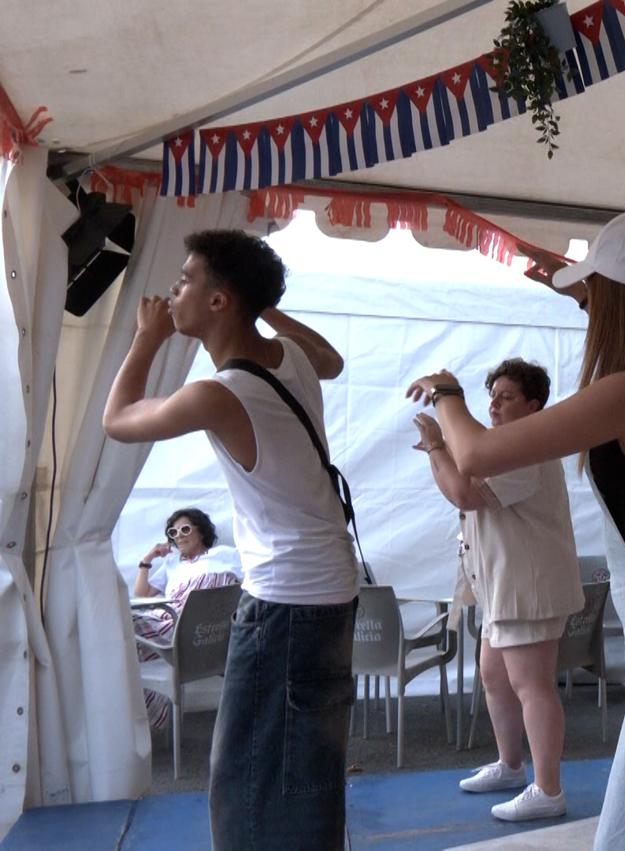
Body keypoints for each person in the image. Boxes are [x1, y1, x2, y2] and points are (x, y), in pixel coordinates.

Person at [407, 208, 625, 850]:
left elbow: (476, 455)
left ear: (620, 298)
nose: (587, 307)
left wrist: (448, 392)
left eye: (594, 294)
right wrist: (575, 280)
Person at [103, 229, 357, 850]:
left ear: (221, 301)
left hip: (285, 604)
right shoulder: (290, 359)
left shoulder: (219, 394)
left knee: (244, 778)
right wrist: (260, 301)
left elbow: (117, 421)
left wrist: (146, 339)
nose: (173, 290)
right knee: (307, 771)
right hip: (329, 588)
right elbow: (332, 359)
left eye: (186, 279)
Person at [413, 358, 584, 822]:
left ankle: (548, 789)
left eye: (506, 397)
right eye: (493, 396)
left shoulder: (525, 448)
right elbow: (465, 481)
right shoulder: (502, 446)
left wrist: (434, 446)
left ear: (533, 404)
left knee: (532, 686)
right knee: (493, 675)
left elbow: (463, 493)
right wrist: (443, 447)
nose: (494, 404)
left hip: (526, 586)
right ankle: (511, 766)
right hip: (501, 586)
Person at [131, 507, 242, 728]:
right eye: (173, 532)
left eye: (185, 529)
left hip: (205, 629)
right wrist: (147, 559)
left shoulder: (224, 555)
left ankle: (149, 717)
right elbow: (141, 595)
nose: (179, 535)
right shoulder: (172, 564)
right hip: (170, 624)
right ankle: (149, 710)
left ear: (201, 532)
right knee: (123, 631)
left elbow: (251, 584)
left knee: (123, 632)